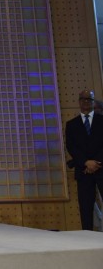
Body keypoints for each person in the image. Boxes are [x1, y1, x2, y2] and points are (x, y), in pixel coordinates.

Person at [65, 90, 103, 230]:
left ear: (93, 102)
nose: (86, 102)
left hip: (101, 167)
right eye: (83, 99)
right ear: (79, 102)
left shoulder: (101, 120)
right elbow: (71, 147)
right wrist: (86, 162)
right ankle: (87, 236)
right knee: (86, 206)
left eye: (89, 99)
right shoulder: (71, 124)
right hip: (83, 170)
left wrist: (96, 162)